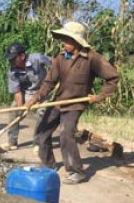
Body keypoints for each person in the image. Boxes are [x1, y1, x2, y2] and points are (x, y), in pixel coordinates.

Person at [25, 21, 119, 184]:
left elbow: (113, 77)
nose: (64, 43)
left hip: (75, 104)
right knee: (41, 132)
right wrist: (36, 98)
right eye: (64, 39)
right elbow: (49, 82)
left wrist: (100, 96)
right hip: (59, 101)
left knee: (66, 134)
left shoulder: (91, 58)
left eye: (67, 40)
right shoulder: (60, 59)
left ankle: (77, 172)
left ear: (76, 41)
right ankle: (49, 165)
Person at [0, 42, 51, 151]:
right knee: (14, 109)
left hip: (43, 92)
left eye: (13, 58)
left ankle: (38, 142)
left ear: (22, 56)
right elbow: (17, 92)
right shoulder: (12, 72)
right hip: (27, 93)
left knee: (43, 112)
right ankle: (12, 142)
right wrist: (21, 108)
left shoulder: (37, 58)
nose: (11, 61)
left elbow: (56, 65)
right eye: (10, 59)